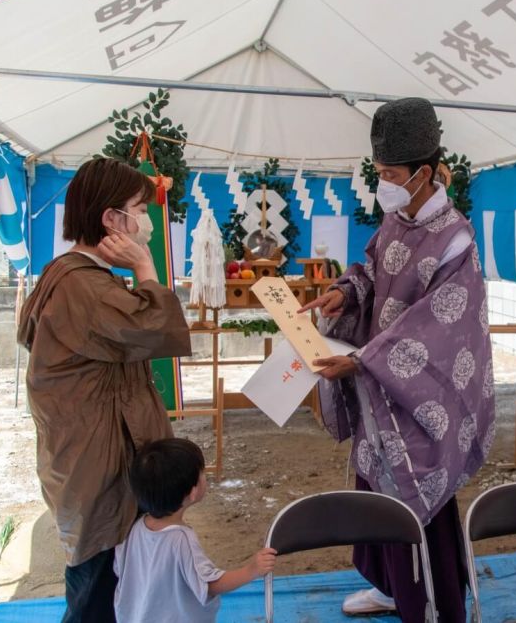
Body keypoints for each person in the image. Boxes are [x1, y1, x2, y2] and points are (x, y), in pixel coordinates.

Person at [299, 97, 495, 622]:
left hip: (421, 394)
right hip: (379, 384)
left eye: (389, 174)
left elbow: (441, 328)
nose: (382, 183)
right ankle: (390, 587)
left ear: (424, 173)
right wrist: (345, 293)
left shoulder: (455, 238)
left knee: (413, 496)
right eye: (379, 173)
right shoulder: (395, 218)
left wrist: (364, 358)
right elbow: (370, 268)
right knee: (377, 485)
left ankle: (432, 605)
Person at [17, 157, 191, 622]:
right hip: (97, 466)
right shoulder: (83, 285)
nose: (146, 223)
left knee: (109, 583)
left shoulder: (76, 275)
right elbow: (154, 331)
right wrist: (146, 268)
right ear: (113, 220)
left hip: (87, 455)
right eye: (140, 209)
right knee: (98, 591)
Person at [113, 438, 277, 622]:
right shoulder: (181, 539)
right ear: (193, 492)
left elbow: (120, 570)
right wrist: (251, 570)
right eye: (202, 472)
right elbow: (209, 584)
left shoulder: (136, 527)